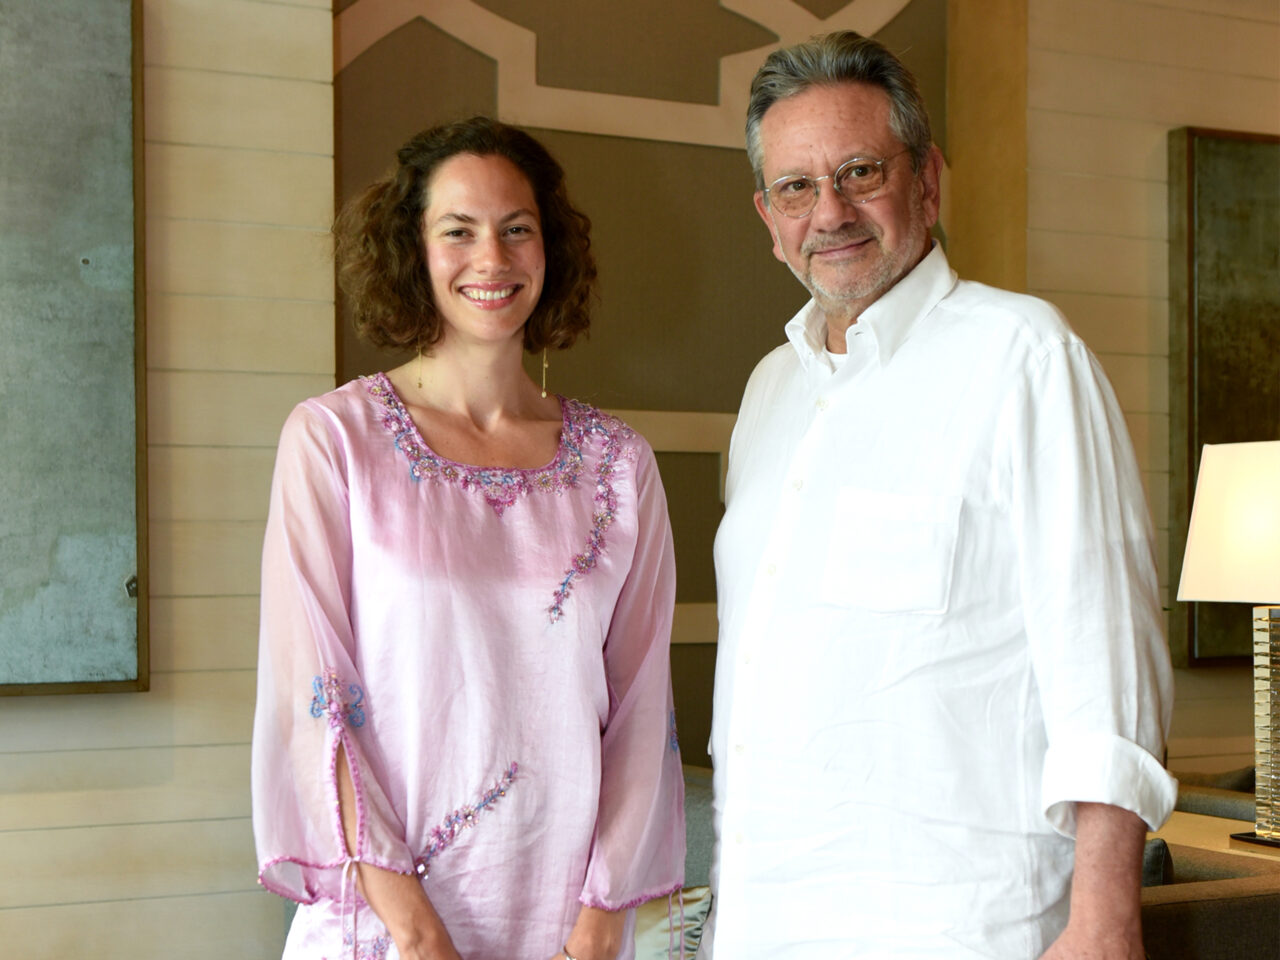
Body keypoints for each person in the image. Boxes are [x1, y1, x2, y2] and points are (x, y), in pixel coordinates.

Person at [700, 32, 1176, 960]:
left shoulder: (1025, 358)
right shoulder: (768, 394)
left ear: (927, 181)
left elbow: (1106, 664)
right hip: (763, 929)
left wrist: (1105, 920)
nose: (829, 212)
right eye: (796, 187)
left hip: (956, 929)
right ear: (768, 216)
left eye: (860, 172)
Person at [251, 117, 685, 960]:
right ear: (412, 250)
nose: (492, 258)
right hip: (386, 928)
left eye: (517, 229)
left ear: (550, 249)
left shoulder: (619, 465)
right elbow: (317, 706)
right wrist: (418, 937)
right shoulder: (334, 441)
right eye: (458, 230)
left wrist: (598, 931)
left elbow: (641, 715)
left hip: (570, 932)